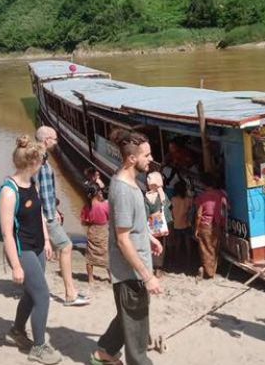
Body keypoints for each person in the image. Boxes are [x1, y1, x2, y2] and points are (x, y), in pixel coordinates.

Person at [91, 129, 164, 365]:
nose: (150, 159)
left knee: (129, 318)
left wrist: (148, 238)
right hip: (131, 274)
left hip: (135, 269)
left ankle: (104, 352)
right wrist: (147, 276)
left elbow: (131, 226)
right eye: (147, 155)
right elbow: (122, 240)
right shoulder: (123, 189)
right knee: (138, 334)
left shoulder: (130, 181)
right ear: (132, 158)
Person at [0, 135, 61, 364]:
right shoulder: (9, 191)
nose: (44, 164)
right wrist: (16, 265)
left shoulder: (31, 183)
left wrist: (46, 240)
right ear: (32, 162)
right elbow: (7, 233)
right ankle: (39, 347)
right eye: (42, 160)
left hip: (36, 246)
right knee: (42, 296)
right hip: (21, 249)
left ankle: (16, 330)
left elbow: (39, 215)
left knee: (32, 293)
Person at [35, 126, 90, 307]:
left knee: (44, 251)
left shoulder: (39, 160)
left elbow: (46, 192)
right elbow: (38, 193)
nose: (57, 143)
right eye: (55, 139)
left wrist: (55, 209)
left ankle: (40, 290)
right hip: (46, 217)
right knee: (66, 246)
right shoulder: (40, 163)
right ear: (46, 140)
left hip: (50, 213)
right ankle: (69, 293)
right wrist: (47, 216)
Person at [193, 173, 228, 279]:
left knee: (205, 249)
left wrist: (196, 229)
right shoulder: (221, 194)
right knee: (214, 248)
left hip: (205, 225)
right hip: (217, 224)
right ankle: (213, 269)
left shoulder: (202, 197)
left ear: (203, 184)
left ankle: (209, 273)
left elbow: (199, 215)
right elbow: (225, 209)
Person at [80, 183, 111, 285]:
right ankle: (111, 277)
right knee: (107, 256)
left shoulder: (86, 207)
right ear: (98, 193)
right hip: (103, 232)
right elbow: (110, 218)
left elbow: (83, 222)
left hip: (92, 232)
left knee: (90, 257)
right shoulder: (105, 206)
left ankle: (90, 279)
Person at [145, 163, 168, 276]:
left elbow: (145, 211)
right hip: (158, 221)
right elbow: (167, 205)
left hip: (149, 221)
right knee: (160, 243)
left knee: (151, 243)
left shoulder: (146, 196)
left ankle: (151, 266)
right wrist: (161, 191)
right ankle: (158, 268)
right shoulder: (161, 197)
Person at [168, 180, 194, 269]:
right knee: (187, 241)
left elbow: (171, 212)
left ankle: (176, 258)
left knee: (178, 241)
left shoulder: (173, 200)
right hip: (186, 223)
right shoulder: (188, 199)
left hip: (176, 224)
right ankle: (189, 258)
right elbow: (191, 208)